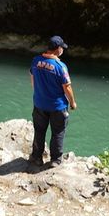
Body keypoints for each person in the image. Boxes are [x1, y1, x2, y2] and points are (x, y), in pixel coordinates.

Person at [29, 35, 77, 168]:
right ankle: (55, 160)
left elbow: (32, 78)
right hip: (57, 107)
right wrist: (72, 103)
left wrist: (39, 92)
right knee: (58, 132)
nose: (63, 50)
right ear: (57, 49)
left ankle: (36, 158)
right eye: (62, 47)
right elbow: (67, 87)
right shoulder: (60, 66)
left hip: (39, 103)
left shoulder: (35, 61)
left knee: (39, 131)